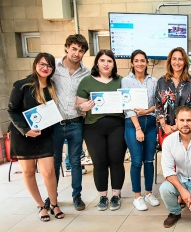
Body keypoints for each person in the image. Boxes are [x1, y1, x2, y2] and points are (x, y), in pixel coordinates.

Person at [7, 53, 65, 221]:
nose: (45, 68)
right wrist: (25, 130)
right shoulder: (22, 85)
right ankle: (40, 206)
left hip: (44, 135)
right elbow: (12, 110)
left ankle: (54, 204)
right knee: (29, 171)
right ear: (35, 65)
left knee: (48, 171)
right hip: (23, 135)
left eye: (49, 65)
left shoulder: (52, 86)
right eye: (42, 64)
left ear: (52, 69)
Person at [76, 49, 127, 211]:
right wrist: (82, 107)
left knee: (116, 161)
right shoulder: (86, 81)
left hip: (117, 127)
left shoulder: (121, 81)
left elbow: (128, 102)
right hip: (93, 128)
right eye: (103, 60)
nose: (106, 64)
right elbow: (79, 108)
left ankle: (116, 195)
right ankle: (103, 197)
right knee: (99, 163)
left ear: (114, 64)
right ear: (97, 62)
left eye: (109, 61)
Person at [51, 34, 90, 211]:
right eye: (74, 48)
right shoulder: (53, 68)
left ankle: (77, 196)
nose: (77, 53)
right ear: (67, 47)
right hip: (55, 124)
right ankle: (52, 198)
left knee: (75, 161)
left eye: (81, 50)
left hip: (76, 123)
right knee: (54, 162)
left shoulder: (86, 72)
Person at [122, 49, 160, 211]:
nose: (140, 63)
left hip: (150, 123)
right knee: (137, 161)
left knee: (149, 160)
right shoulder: (126, 81)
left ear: (147, 62)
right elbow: (128, 107)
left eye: (143, 60)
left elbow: (158, 104)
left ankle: (149, 192)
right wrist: (138, 128)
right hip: (133, 124)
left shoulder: (154, 81)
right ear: (132, 63)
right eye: (136, 60)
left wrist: (147, 111)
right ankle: (137, 196)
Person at [155, 47, 191, 138]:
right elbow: (158, 106)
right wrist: (164, 126)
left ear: (185, 62)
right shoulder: (162, 81)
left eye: (180, 59)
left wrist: (179, 125)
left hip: (185, 129)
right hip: (166, 130)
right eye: (174, 59)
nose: (177, 62)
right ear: (170, 61)